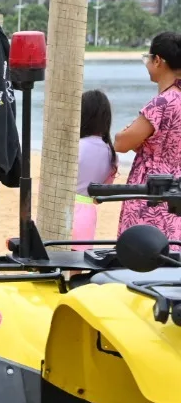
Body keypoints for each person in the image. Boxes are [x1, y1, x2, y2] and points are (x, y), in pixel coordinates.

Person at [114, 32, 181, 243]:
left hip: (153, 189)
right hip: (177, 189)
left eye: (148, 58)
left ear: (158, 60)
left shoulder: (161, 104)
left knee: (144, 252)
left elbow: (122, 143)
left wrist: (130, 135)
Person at [75, 89, 118, 245]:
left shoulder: (76, 146)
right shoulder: (111, 153)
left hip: (66, 206)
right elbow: (101, 196)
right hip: (88, 212)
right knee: (78, 262)